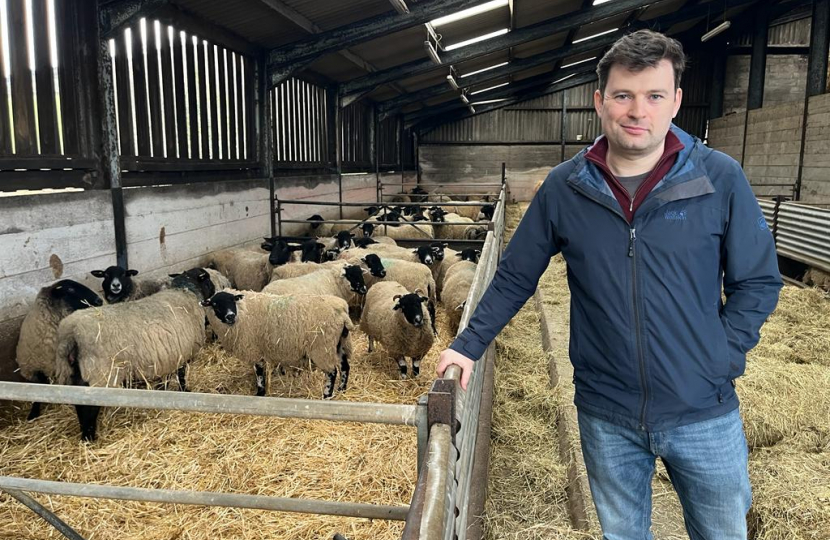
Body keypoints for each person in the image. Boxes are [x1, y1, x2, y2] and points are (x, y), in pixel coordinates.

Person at [436, 29, 782, 539]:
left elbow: (758, 281)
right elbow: (515, 274)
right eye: (623, 95)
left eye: (653, 96)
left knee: (723, 532)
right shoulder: (566, 187)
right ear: (600, 101)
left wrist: (720, 355)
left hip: (704, 412)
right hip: (607, 414)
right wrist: (467, 345)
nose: (637, 111)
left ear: (676, 101)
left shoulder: (719, 178)